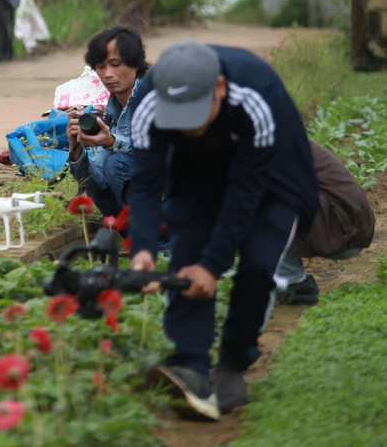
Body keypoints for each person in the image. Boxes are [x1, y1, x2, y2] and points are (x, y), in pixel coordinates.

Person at [128, 41, 319, 421]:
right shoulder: (148, 104)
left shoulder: (255, 97)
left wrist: (213, 266)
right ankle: (190, 365)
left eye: (195, 113)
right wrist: (144, 249)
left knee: (258, 266)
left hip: (271, 180)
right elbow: (146, 183)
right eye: (177, 115)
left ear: (218, 87)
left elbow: (246, 192)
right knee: (185, 256)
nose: (188, 124)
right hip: (197, 173)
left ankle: (233, 362)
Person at [273, 139, 375, 305]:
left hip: (344, 226)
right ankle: (285, 274)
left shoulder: (262, 144)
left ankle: (294, 281)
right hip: (343, 221)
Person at [66, 25, 150, 217]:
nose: (107, 74)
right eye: (101, 67)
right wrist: (76, 149)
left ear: (136, 63)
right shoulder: (113, 106)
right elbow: (95, 181)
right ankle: (137, 239)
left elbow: (161, 153)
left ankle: (163, 244)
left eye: (115, 64)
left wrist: (112, 142)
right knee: (96, 183)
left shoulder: (152, 97)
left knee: (116, 163)